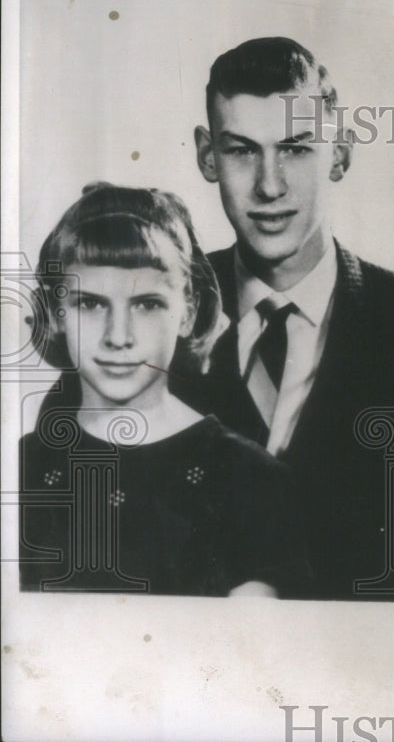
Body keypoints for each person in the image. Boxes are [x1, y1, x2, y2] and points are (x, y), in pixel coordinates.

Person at [186, 37, 394, 599]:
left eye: (297, 149)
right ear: (207, 156)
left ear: (342, 152)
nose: (270, 184)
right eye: (240, 150)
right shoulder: (151, 318)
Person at [20, 184, 297, 597]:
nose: (118, 337)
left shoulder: (248, 477)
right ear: (56, 313)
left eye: (147, 304)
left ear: (187, 311)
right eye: (90, 304)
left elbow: (250, 650)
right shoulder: (21, 467)